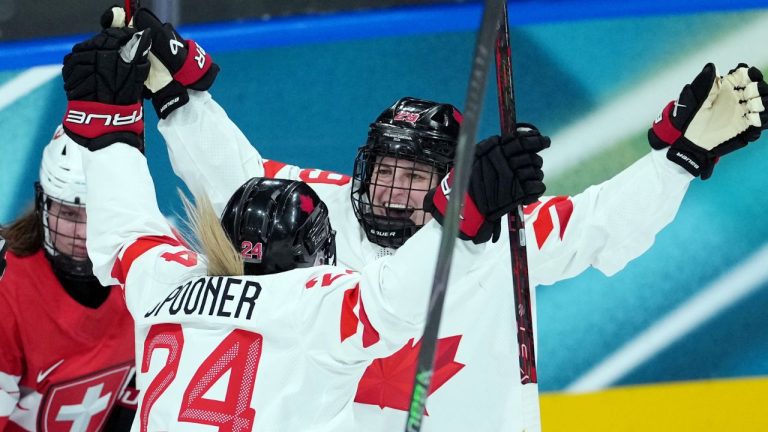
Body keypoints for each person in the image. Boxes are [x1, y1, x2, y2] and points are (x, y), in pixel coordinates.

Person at [111, 6, 768, 431]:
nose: (395, 192)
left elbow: (599, 223)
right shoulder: (325, 206)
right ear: (364, 167)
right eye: (386, 172)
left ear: (448, 182)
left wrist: (680, 156)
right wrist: (174, 94)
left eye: (416, 178)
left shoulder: (501, 233)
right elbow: (233, 175)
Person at [59, 25, 549, 431]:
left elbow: (124, 237)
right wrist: (467, 211)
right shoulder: (314, 306)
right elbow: (394, 300)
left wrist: (109, 128)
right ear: (316, 252)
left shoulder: (166, 286)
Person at [0, 126, 138, 431]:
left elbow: (138, 404)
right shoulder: (7, 286)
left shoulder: (149, 271)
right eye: (71, 214)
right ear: (45, 206)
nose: (84, 234)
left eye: (97, 212)